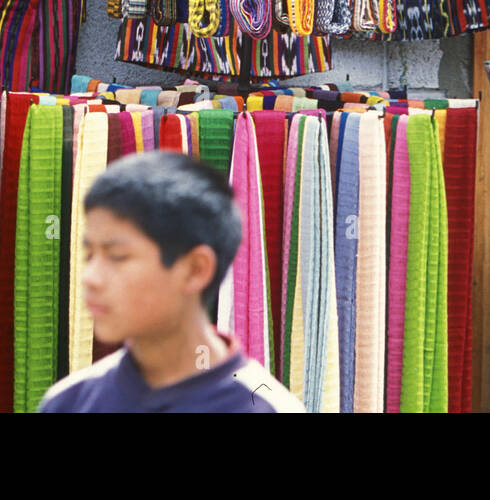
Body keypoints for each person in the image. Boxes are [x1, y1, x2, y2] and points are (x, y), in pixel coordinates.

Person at [38, 152, 304, 413]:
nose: (90, 278)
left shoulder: (265, 405)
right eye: (89, 255)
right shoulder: (69, 401)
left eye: (117, 257)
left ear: (195, 270)